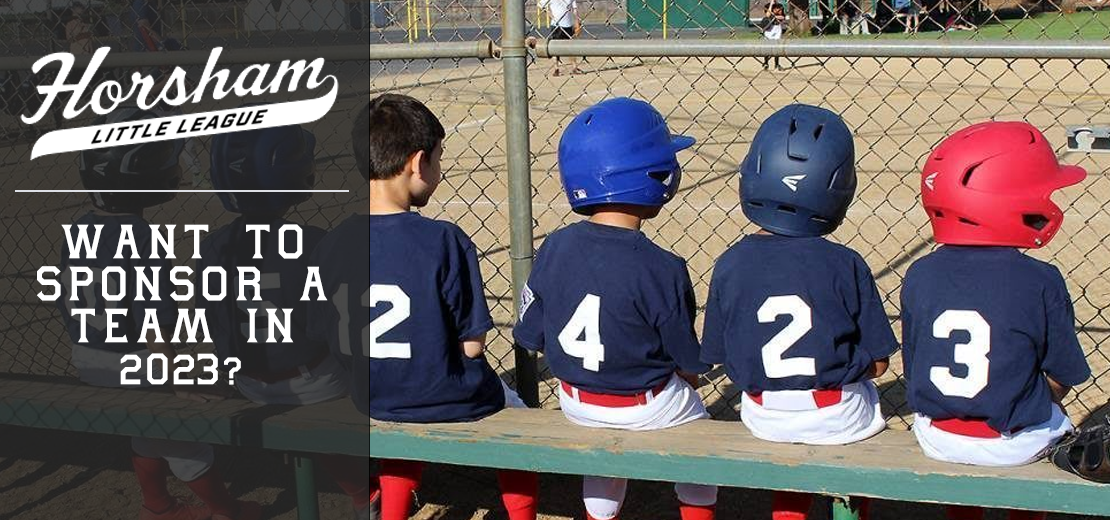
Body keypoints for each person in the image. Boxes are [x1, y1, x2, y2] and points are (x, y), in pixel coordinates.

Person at [306, 93, 538, 520]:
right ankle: (521, 512)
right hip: (447, 395)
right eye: (437, 160)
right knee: (519, 418)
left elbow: (322, 332)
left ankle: (390, 511)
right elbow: (472, 348)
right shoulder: (445, 240)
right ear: (416, 163)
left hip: (368, 395)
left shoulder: (330, 242)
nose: (439, 170)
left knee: (402, 415)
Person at [513, 97, 718, 520]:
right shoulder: (663, 266)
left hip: (573, 399)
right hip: (646, 406)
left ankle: (600, 515)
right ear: (648, 176)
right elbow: (688, 365)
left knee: (602, 443)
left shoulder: (554, 247)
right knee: (702, 438)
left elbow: (528, 335)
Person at [59, 107, 261, 520]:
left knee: (147, 431)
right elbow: (156, 322)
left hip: (87, 356)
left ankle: (158, 504)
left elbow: (68, 302)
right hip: (133, 363)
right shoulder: (142, 237)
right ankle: (226, 511)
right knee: (185, 438)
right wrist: (176, 381)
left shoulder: (78, 227)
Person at [701, 104, 896, 520]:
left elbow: (720, 355)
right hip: (834, 415)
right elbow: (879, 363)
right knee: (861, 406)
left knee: (797, 444)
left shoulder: (730, 262)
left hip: (762, 412)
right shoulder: (846, 263)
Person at [901, 121, 1091, 520]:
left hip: (937, 436)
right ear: (1006, 200)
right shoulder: (1041, 280)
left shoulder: (919, 273)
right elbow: (1063, 377)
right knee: (1050, 419)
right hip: (1012, 444)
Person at [198, 124, 376, 520]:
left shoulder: (213, 247)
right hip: (312, 384)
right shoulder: (313, 242)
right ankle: (364, 495)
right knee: (346, 356)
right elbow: (328, 328)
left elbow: (214, 325)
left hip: (248, 382)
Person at [540, 0, 581, 76]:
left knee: (571, 47)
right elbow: (541, 5)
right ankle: (556, 68)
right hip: (556, 25)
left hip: (568, 25)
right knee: (555, 48)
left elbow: (575, 9)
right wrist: (552, 16)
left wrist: (577, 22)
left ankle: (574, 67)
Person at [761, 3, 785, 71]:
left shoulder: (780, 16)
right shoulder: (767, 17)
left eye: (780, 9)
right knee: (766, 49)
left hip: (777, 32)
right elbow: (768, 15)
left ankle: (776, 64)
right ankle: (766, 63)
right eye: (776, 9)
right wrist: (771, 4)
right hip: (768, 33)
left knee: (776, 50)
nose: (779, 10)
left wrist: (774, 15)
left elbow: (782, 17)